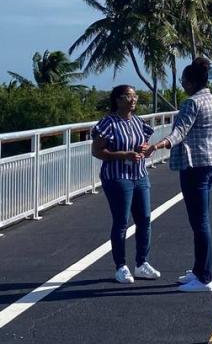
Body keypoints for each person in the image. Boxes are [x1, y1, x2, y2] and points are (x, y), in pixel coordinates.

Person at [144, 57, 212, 292]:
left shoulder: (192, 103)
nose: (182, 84)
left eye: (183, 81)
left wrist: (157, 146)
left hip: (194, 166)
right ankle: (199, 270)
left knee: (200, 223)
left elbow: (180, 131)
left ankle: (205, 277)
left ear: (190, 82)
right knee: (202, 221)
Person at [90, 85, 162, 283]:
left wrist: (145, 148)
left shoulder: (138, 122)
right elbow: (97, 151)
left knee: (145, 219)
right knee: (121, 222)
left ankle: (142, 263)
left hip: (139, 174)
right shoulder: (108, 123)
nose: (133, 100)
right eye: (128, 96)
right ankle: (121, 266)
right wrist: (122, 155)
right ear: (118, 100)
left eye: (134, 96)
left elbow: (144, 142)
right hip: (117, 176)